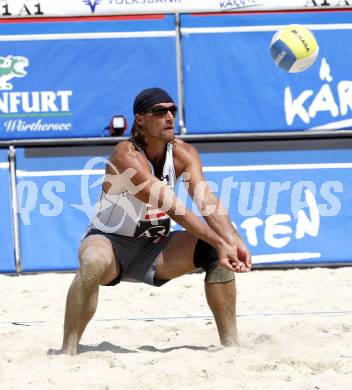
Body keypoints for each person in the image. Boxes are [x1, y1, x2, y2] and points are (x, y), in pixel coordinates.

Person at [60, 87, 251, 355]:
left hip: (156, 249)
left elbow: (206, 200)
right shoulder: (126, 155)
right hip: (111, 245)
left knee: (213, 252)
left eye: (173, 110)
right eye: (160, 111)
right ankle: (68, 350)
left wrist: (233, 241)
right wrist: (220, 241)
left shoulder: (183, 153)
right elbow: (171, 207)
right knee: (92, 262)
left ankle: (232, 345)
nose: (170, 117)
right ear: (140, 119)